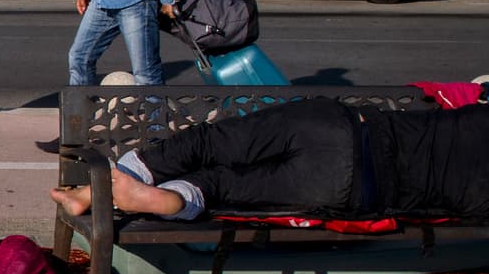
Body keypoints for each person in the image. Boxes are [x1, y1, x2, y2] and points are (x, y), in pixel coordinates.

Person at [51, 98, 489, 222]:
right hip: (357, 189)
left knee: (213, 143)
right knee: (224, 187)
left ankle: (99, 187)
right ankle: (170, 200)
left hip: (346, 129)